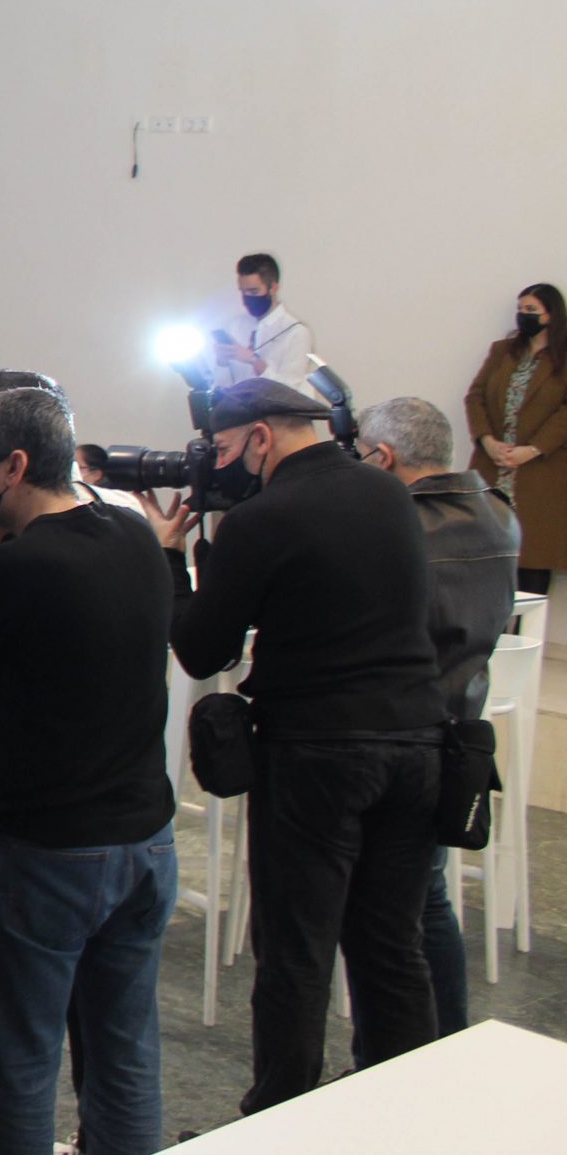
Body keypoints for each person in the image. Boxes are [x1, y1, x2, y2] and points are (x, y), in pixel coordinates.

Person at [153, 378, 443, 1111]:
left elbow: (203, 649)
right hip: (417, 742)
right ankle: (408, 1112)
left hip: (318, 751)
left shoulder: (263, 518)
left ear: (261, 436)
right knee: (392, 945)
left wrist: (172, 559)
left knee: (296, 953)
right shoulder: (390, 495)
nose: (224, 465)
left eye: (226, 449)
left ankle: (281, 1116)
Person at [0, 386, 177, 1155]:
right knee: (124, 1055)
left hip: (50, 848)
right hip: (146, 838)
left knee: (19, 1062)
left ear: (14, 465)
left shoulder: (20, 563)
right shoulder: (133, 533)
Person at [355, 395, 519, 1050]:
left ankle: (397, 1057)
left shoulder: (402, 530)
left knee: (387, 919)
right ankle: (445, 1047)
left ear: (382, 457)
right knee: (425, 899)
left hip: (401, 734)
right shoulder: (499, 514)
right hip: (460, 730)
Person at [463, 282, 567, 601]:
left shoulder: (563, 357)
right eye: (520, 309)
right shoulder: (502, 351)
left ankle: (524, 633)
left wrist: (533, 450)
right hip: (493, 466)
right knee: (484, 561)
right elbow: (475, 396)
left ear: (551, 315)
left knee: (532, 567)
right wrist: (487, 440)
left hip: (540, 473)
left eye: (531, 310)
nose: (523, 315)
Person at [209, 253, 316, 394]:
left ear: (273, 288)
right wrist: (222, 363)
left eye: (254, 292)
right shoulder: (235, 326)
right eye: (243, 292)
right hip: (236, 405)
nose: (247, 298)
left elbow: (289, 392)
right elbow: (221, 388)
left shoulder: (296, 332)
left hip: (275, 407)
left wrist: (254, 360)